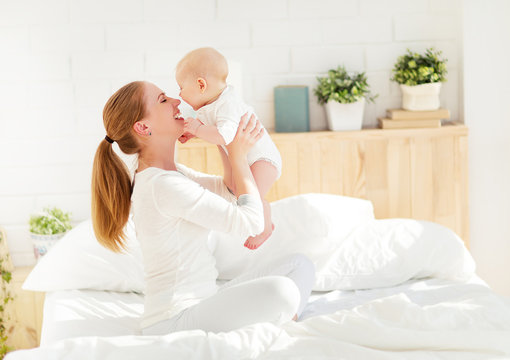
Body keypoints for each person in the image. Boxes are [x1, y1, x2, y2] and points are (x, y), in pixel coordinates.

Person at [91, 81, 315, 335]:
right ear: (143, 127)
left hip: (206, 302)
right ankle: (280, 319)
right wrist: (237, 155)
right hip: (173, 320)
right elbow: (250, 223)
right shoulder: (162, 185)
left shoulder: (172, 175)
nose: (176, 101)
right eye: (163, 100)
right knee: (282, 291)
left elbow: (232, 191)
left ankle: (279, 318)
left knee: (300, 265)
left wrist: (223, 139)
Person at [176, 47, 282, 250]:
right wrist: (194, 132)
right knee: (236, 190)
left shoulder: (227, 104)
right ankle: (263, 214)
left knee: (252, 199)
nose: (179, 94)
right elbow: (214, 130)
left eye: (181, 87)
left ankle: (265, 225)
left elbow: (224, 135)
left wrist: (198, 129)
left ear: (200, 84)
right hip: (249, 158)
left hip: (264, 160)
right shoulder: (211, 105)